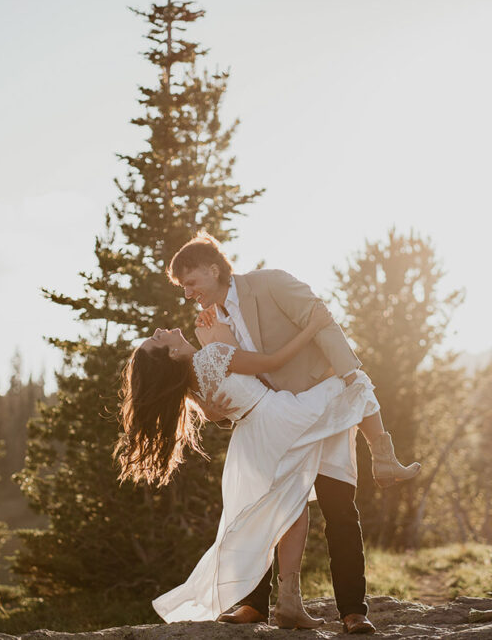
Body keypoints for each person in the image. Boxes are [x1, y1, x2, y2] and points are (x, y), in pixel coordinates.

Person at [167, 231, 420, 634]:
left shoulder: (271, 282)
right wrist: (210, 339)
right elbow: (241, 376)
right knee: (271, 507)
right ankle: (255, 605)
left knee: (339, 509)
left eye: (191, 282)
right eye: (183, 288)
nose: (189, 294)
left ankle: (354, 611)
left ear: (213, 268)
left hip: (320, 404)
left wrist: (350, 374)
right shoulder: (214, 322)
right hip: (282, 422)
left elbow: (319, 320)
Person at [116, 309, 396, 627]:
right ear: (172, 353)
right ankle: (384, 455)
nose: (158, 329)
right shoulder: (211, 357)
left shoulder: (190, 387)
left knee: (268, 513)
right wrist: (313, 327)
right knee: (354, 383)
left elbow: (217, 411)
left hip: (251, 439)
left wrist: (214, 337)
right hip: (277, 419)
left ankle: (275, 603)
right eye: (157, 338)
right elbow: (272, 364)